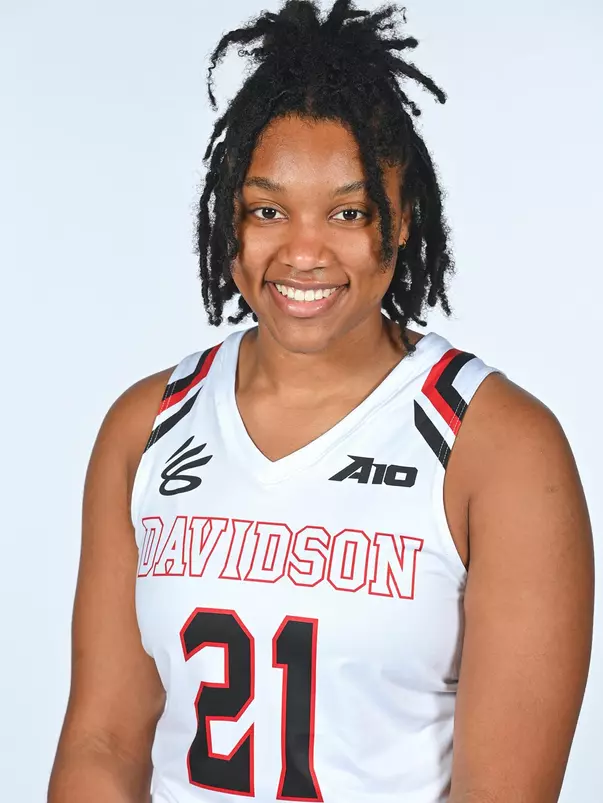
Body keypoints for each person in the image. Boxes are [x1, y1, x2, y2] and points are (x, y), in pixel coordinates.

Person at [47, 1, 595, 802]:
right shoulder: (147, 426)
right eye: (267, 210)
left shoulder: (498, 444)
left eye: (347, 211)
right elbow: (102, 741)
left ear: (401, 220)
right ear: (227, 223)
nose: (303, 251)